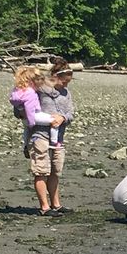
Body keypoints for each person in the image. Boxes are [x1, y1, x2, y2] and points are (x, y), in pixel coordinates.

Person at [35, 57, 75, 216]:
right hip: (40, 136)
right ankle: (44, 207)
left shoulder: (66, 93)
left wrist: (63, 118)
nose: (66, 85)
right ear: (56, 77)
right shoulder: (40, 88)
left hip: (58, 138)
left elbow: (71, 113)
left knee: (55, 172)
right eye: (64, 82)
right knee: (41, 171)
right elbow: (22, 106)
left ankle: (56, 204)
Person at [8, 65, 55, 159]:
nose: (39, 88)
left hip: (24, 118)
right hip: (34, 116)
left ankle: (25, 144)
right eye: (38, 85)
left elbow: (17, 104)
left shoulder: (17, 90)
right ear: (32, 82)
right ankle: (54, 142)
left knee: (26, 131)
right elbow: (29, 108)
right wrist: (31, 122)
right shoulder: (30, 92)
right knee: (54, 120)